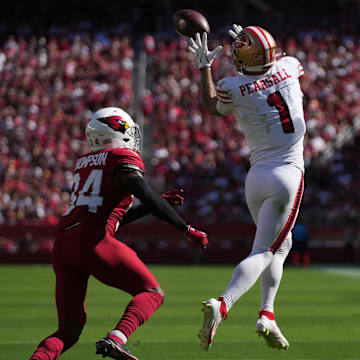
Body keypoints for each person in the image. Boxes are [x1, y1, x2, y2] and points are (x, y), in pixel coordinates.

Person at [29, 107, 208, 360]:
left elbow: (113, 218)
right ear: (116, 131)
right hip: (92, 240)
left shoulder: (83, 163)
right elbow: (140, 188)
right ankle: (117, 338)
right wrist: (185, 228)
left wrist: (154, 203)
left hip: (65, 245)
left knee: (69, 329)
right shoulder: (119, 157)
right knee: (151, 293)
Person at [188, 24, 306, 351]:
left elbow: (211, 106)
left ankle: (267, 314)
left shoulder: (233, 87)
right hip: (287, 175)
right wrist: (254, 46)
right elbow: (277, 69)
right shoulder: (290, 66)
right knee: (265, 251)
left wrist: (204, 67)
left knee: (280, 246)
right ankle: (222, 304)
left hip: (256, 177)